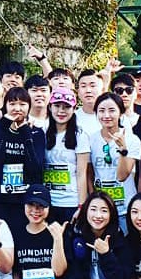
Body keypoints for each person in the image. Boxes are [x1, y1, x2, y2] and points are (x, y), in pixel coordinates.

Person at [0, 87, 47, 232]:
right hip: (1, 198)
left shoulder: (36, 132)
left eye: (22, 104)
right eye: (12, 103)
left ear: (29, 106)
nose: (17, 108)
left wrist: (26, 135)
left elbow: (36, 166)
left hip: (26, 200)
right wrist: (4, 129)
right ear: (5, 105)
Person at [62, 191, 135, 279]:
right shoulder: (76, 238)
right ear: (86, 211)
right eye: (93, 209)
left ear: (111, 214)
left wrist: (106, 254)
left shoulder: (120, 240)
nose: (98, 215)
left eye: (104, 211)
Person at [12, 184, 69, 279]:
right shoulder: (17, 234)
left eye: (41, 206)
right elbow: (15, 269)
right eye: (30, 205)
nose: (35, 210)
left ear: (48, 208)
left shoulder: (56, 231)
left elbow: (58, 271)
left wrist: (58, 239)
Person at [88, 92, 141, 220]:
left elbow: (122, 176)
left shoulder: (132, 140)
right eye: (101, 111)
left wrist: (123, 149)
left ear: (121, 113)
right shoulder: (91, 139)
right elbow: (89, 174)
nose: (106, 115)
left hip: (125, 207)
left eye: (112, 110)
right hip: (100, 210)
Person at [44, 87, 90, 223]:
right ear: (50, 107)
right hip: (47, 201)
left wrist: (81, 205)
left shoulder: (80, 135)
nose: (61, 111)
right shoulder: (42, 132)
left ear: (74, 108)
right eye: (57, 106)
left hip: (70, 201)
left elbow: (82, 173)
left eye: (66, 107)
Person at [75, 69, 104, 137]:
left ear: (102, 90)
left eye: (93, 86)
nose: (88, 90)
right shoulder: (72, 118)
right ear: (78, 92)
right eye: (83, 86)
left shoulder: (111, 117)